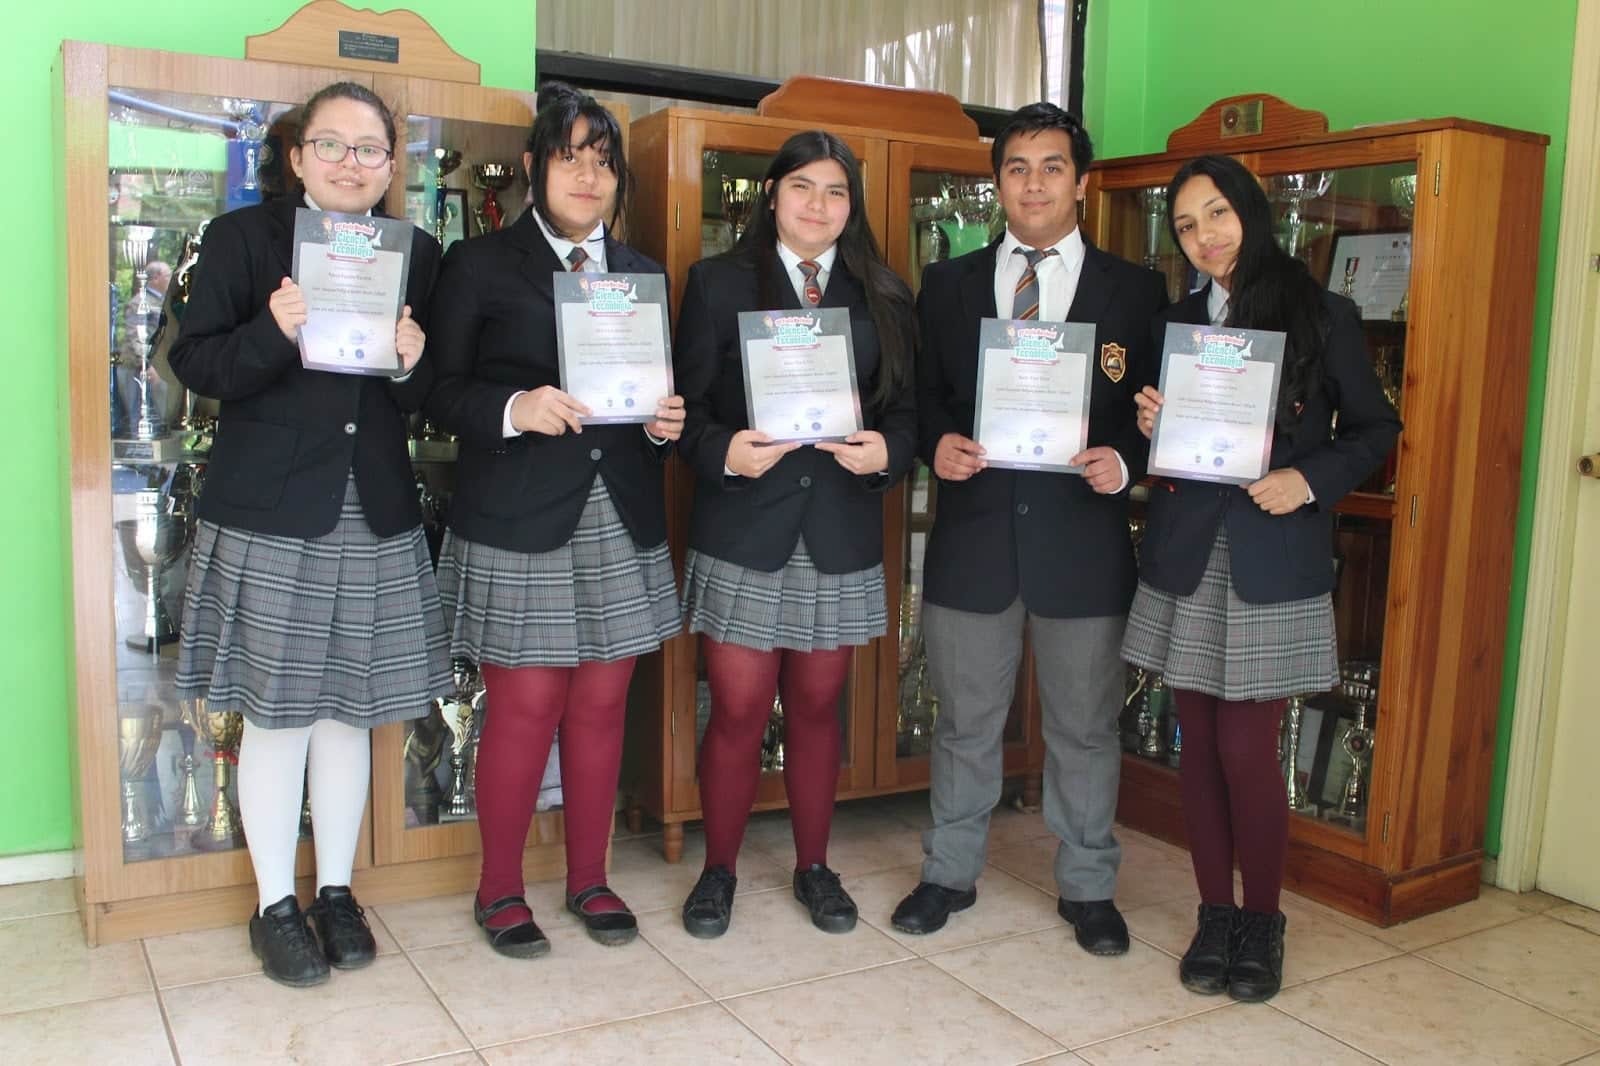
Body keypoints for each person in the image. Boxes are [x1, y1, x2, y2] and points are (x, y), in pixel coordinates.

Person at [170, 82, 449, 987]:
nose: (350, 164)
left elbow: (428, 392)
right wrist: (271, 330)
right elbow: (195, 360)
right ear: (297, 157)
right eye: (331, 145)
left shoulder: (417, 254)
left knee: (348, 716)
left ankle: (335, 892)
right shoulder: (242, 240)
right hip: (272, 512)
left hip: (373, 507)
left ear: (390, 164)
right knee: (279, 718)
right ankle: (272, 906)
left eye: (370, 150)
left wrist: (414, 363)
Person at [891, 102, 1167, 955]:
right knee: (965, 723)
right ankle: (949, 872)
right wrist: (937, 443)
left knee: (1084, 728)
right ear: (998, 183)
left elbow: (1161, 410)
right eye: (1017, 168)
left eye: (1052, 167)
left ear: (1080, 183)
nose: (1034, 183)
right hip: (974, 539)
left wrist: (1127, 461)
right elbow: (922, 399)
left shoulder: (1136, 290)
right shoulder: (949, 285)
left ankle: (1088, 885)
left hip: (1083, 545)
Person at [1124, 154, 1400, 1002]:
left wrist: (1308, 480)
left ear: (1249, 211)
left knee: (1246, 749)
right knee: (1198, 747)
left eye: (1217, 214)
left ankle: (1263, 920)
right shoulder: (1174, 324)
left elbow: (1374, 429)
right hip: (1187, 552)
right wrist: (1150, 425)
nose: (1204, 237)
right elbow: (1150, 447)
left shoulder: (1322, 315)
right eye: (1185, 226)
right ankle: (1215, 914)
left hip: (1271, 554)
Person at [423, 83, 684, 958]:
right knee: (526, 705)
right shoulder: (480, 265)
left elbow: (650, 400)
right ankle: (498, 887)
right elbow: (438, 392)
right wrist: (514, 407)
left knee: (603, 704)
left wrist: (662, 427)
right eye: (569, 157)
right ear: (535, 166)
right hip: (518, 513)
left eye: (602, 160)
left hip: (619, 511)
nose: (587, 174)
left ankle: (589, 878)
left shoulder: (643, 274)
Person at [674, 130, 917, 938]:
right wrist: (723, 452)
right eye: (803, 187)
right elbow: (683, 413)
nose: (819, 205)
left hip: (838, 528)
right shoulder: (717, 283)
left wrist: (890, 453)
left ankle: (815, 866)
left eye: (836, 191)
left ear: (853, 206)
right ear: (772, 194)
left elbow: (908, 412)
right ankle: (718, 870)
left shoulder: (882, 290)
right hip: (746, 525)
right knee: (738, 708)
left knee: (818, 706)